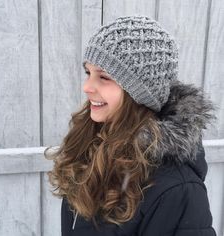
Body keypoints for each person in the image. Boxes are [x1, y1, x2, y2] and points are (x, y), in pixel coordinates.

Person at [44, 15, 217, 236]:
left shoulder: (178, 189)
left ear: (139, 93)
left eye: (104, 77)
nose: (87, 86)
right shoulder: (89, 149)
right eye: (88, 72)